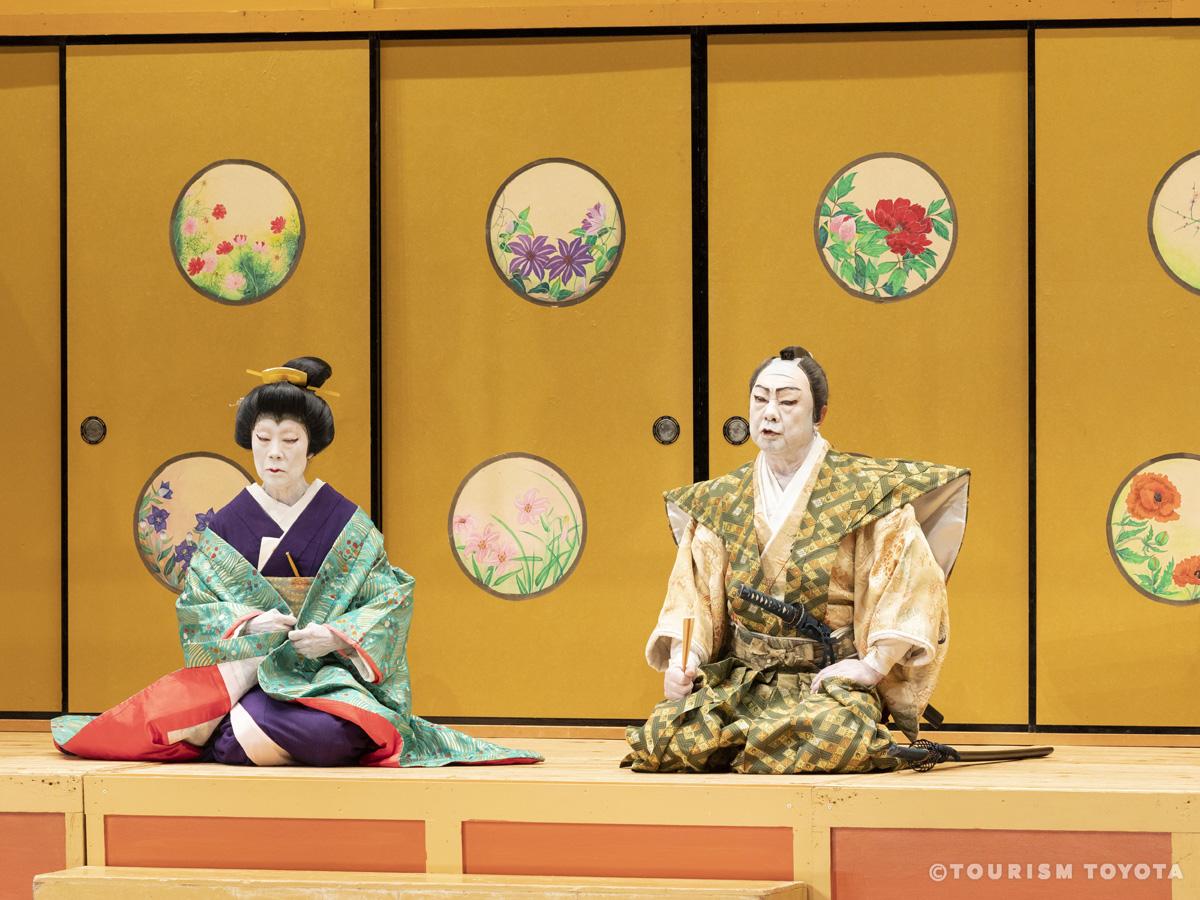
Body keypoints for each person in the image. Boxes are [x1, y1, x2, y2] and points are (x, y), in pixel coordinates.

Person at [53, 357, 540, 768]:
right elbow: (196, 609)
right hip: (252, 673)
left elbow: (389, 601)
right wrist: (250, 622)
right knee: (263, 723)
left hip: (326, 676)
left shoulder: (345, 522)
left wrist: (336, 636)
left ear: (311, 445)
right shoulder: (228, 525)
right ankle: (244, 727)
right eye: (263, 438)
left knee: (338, 728)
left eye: (289, 440)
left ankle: (240, 734)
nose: (275, 453)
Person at [623, 346, 969, 774]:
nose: (770, 413)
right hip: (744, 679)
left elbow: (908, 581)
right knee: (665, 737)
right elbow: (692, 596)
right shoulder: (722, 500)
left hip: (824, 681)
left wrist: (872, 666)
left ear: (819, 414)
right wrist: (685, 661)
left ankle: (748, 744)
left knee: (834, 735)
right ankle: (756, 741)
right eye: (760, 399)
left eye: (787, 402)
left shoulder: (865, 494)